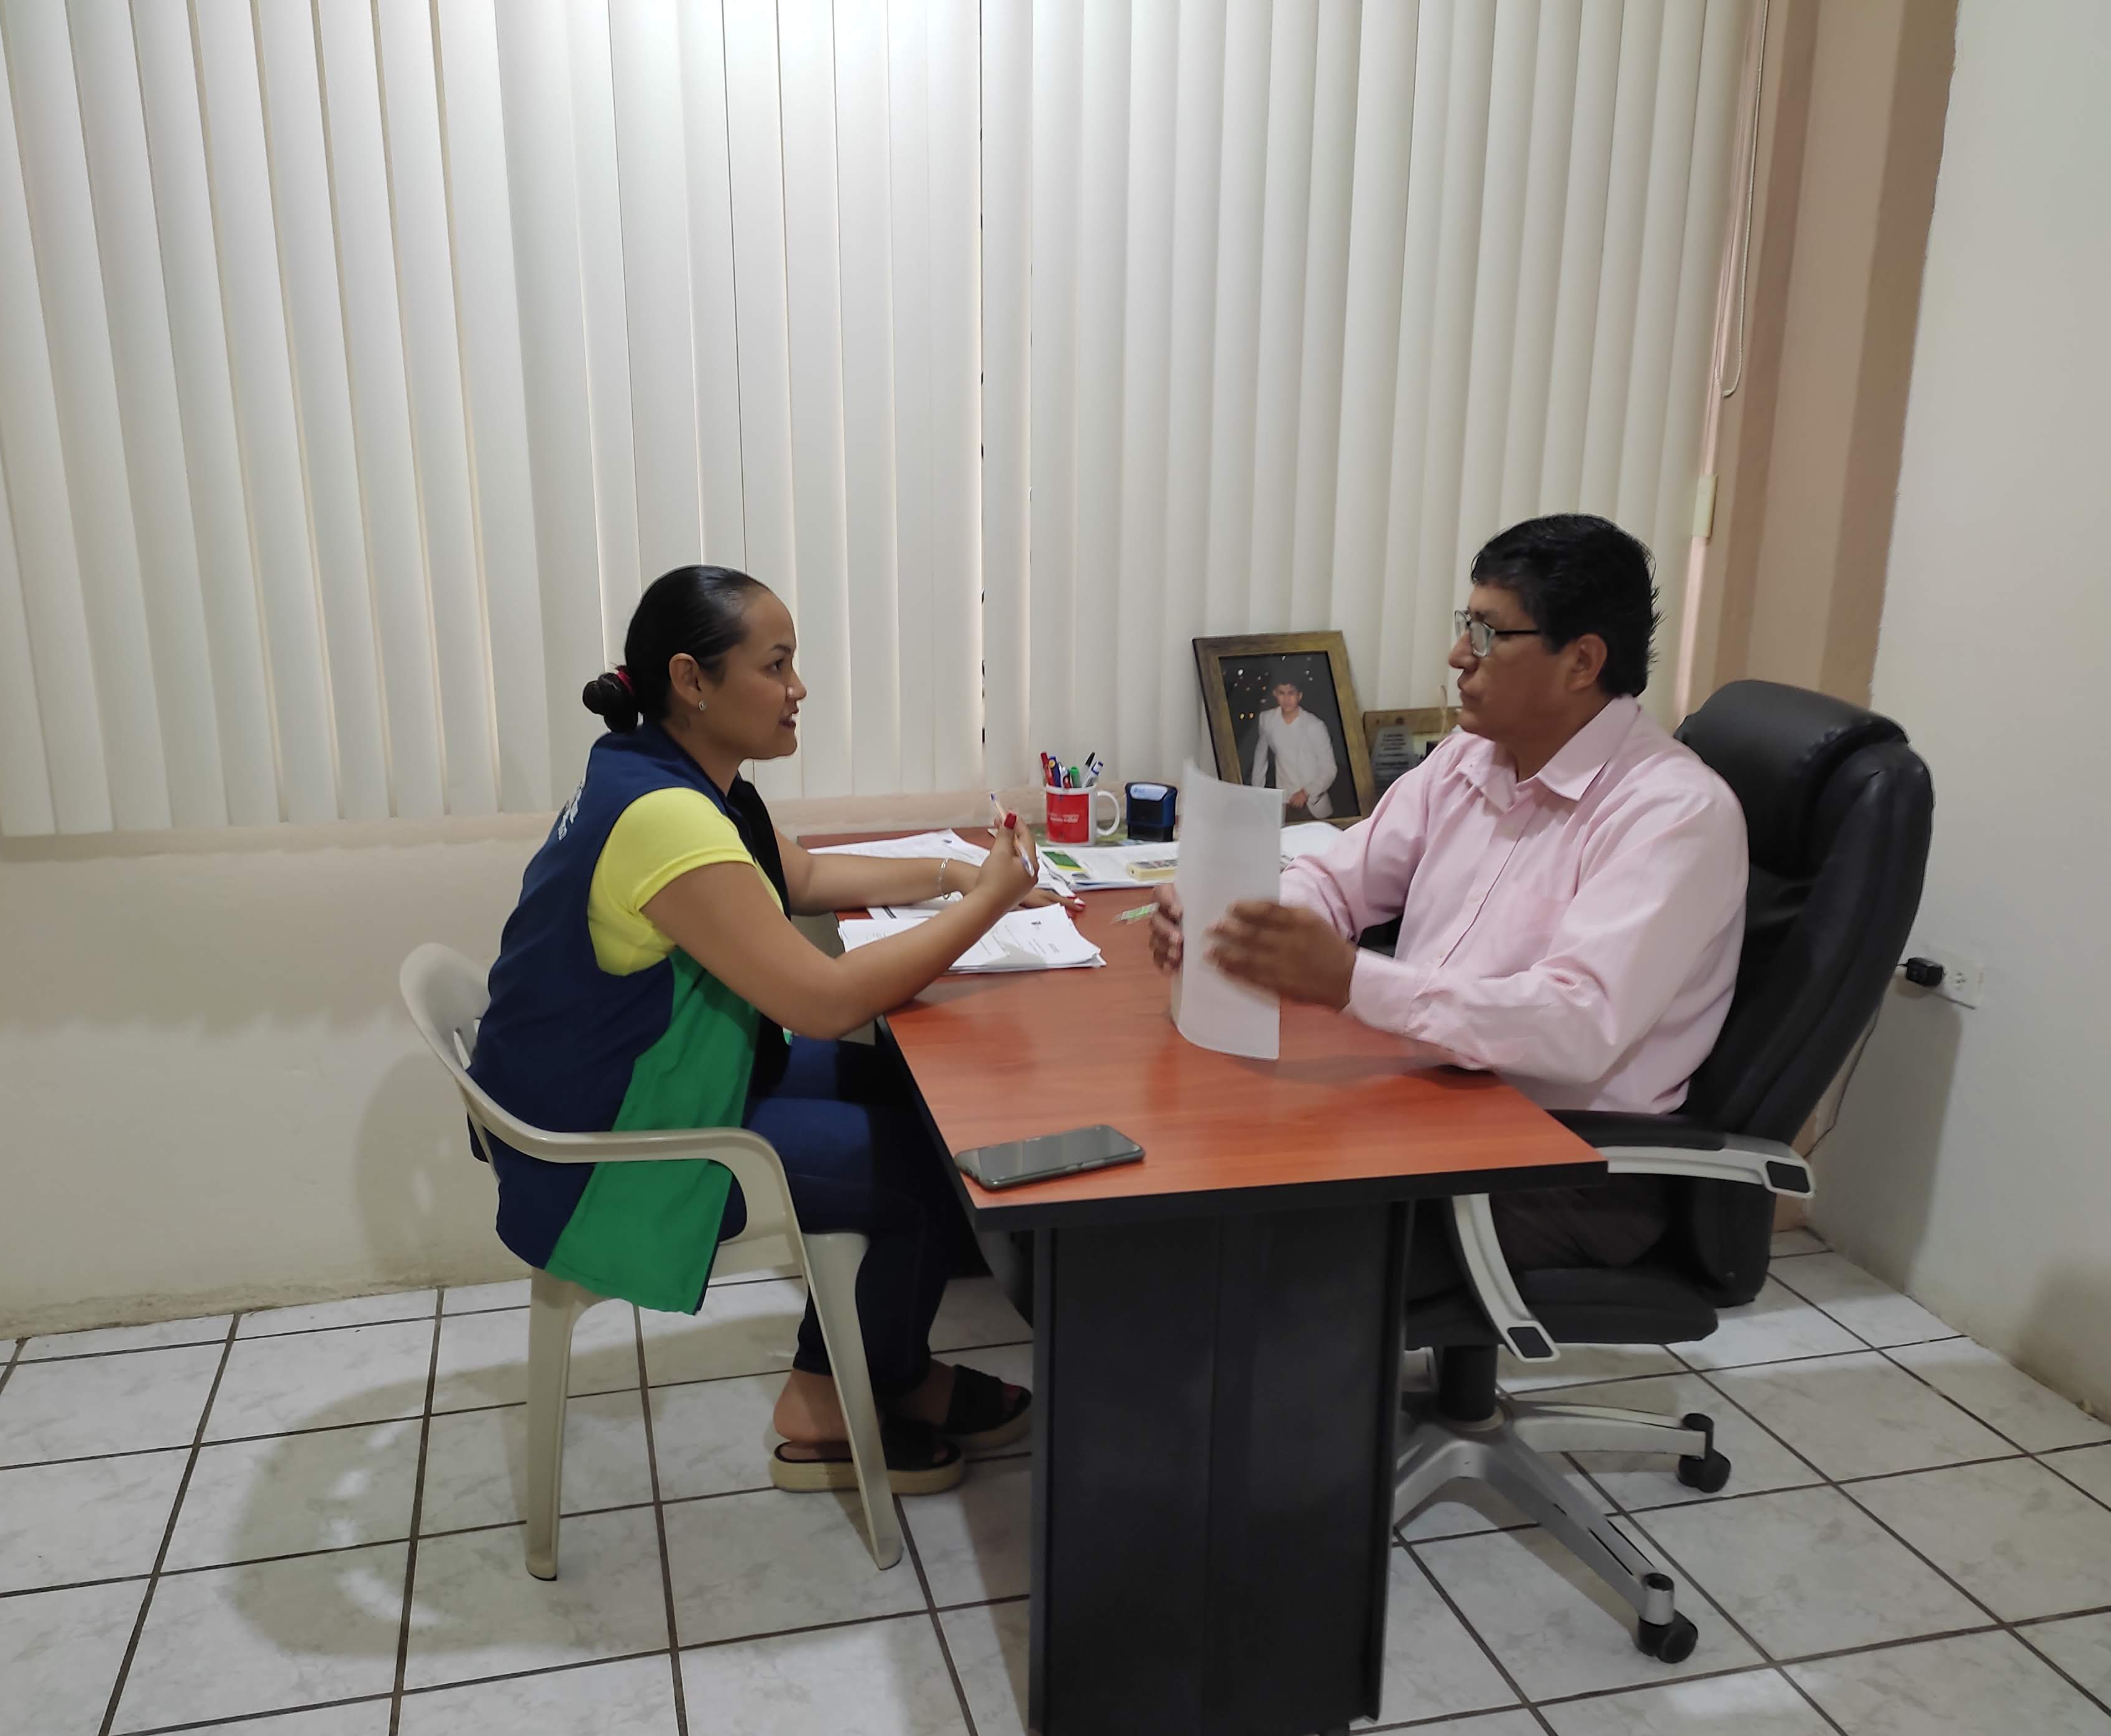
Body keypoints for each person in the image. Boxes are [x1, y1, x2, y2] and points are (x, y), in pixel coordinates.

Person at [470, 566, 1058, 1495]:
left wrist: (956, 874)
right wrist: (987, 905)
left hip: (649, 1084)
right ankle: (828, 1404)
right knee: (926, 1171)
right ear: (691, 680)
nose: (799, 689)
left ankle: (883, 1374)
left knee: (921, 1105)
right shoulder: (667, 819)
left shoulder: (665, 770)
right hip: (605, 1151)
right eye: (775, 665)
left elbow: (806, 880)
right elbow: (823, 1002)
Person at [1152, 514, 1747, 1283]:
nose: (1458, 654)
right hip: (1435, 1100)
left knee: (1234, 1243)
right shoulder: (1471, 756)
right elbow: (1338, 879)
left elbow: (1577, 1027)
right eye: (1467, 624)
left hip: (1561, 1162)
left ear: (1581, 661)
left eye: (1489, 634)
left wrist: (1349, 980)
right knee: (1191, 1166)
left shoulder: (1672, 813)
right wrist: (1242, 923)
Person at [1248, 674, 1341, 819]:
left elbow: (1329, 768)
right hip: (1284, 801)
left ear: (1300, 696)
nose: (1287, 699)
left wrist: (1306, 792)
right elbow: (1260, 759)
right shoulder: (1267, 720)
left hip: (1313, 803)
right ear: (1275, 694)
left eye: (1291, 693)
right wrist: (1257, 794)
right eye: (1282, 693)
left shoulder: (1315, 725)